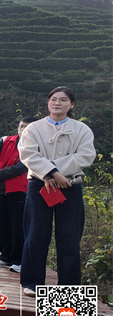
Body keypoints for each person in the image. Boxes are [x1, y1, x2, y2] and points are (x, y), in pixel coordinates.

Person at [19, 86, 95, 297]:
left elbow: (86, 156)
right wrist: (51, 173)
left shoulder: (82, 129)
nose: (57, 103)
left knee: (69, 237)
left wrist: (56, 172)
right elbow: (28, 154)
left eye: (63, 100)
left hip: (70, 186)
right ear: (48, 102)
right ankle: (32, 283)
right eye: (53, 99)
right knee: (36, 234)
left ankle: (68, 288)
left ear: (72, 104)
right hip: (39, 185)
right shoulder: (33, 128)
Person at [0, 117, 37, 274]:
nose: (23, 129)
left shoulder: (35, 147)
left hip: (18, 190)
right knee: (2, 224)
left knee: (17, 226)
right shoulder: (6, 140)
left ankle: (18, 260)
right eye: (21, 126)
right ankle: (5, 257)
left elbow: (19, 168)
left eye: (27, 127)